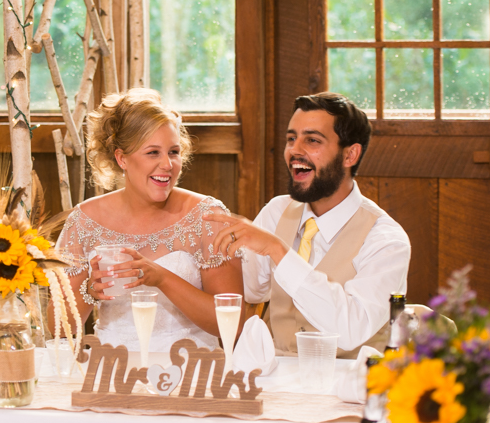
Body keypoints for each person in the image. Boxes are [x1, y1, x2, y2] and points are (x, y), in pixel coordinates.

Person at [204, 92, 410, 356]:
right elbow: (250, 291)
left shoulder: (386, 241)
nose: (294, 151)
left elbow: (351, 331)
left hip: (347, 383)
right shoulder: (277, 211)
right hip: (274, 374)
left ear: (350, 155)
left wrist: (278, 251)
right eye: (291, 139)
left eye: (312, 140)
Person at [55, 89, 244, 352]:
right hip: (114, 371)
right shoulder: (84, 221)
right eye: (153, 152)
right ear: (122, 158)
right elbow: (59, 329)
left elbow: (234, 325)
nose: (167, 164)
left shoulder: (208, 217)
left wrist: (162, 278)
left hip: (193, 370)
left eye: (174, 152)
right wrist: (89, 291)